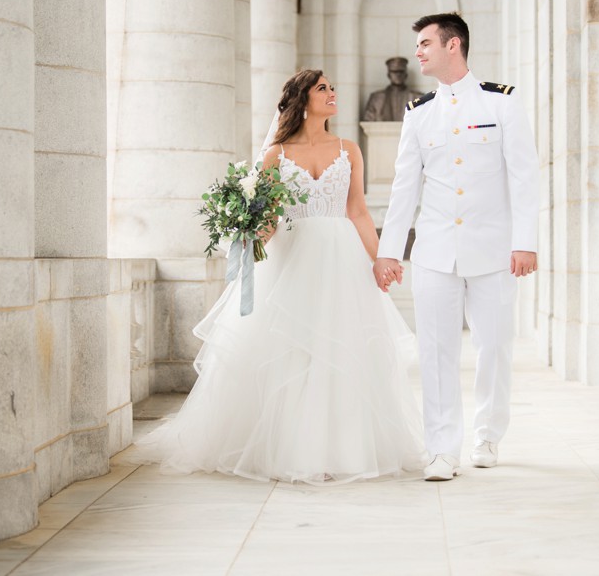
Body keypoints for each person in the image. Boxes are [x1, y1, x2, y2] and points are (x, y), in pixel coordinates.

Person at [139, 69, 427, 485]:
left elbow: (358, 211)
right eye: (322, 88)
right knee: (291, 350)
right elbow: (270, 219)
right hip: (290, 260)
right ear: (301, 98)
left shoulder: (349, 150)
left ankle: (339, 450)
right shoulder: (276, 153)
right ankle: (290, 450)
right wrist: (244, 230)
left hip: (340, 259)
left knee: (340, 348)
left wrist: (383, 258)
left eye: (332, 87)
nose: (333, 93)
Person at [373, 13, 539, 482]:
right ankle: (442, 449)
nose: (418, 51)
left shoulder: (501, 103)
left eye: (426, 43)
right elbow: (404, 187)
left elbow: (524, 176)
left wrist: (525, 242)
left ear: (454, 45)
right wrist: (390, 250)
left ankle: (488, 434)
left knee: (493, 346)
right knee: (436, 351)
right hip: (434, 251)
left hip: (494, 250)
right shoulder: (418, 112)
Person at [363, 56, 424, 122]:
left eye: (401, 71)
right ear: (388, 74)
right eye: (394, 72)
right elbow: (368, 123)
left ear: (406, 74)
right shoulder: (376, 98)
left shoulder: (418, 97)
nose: (398, 75)